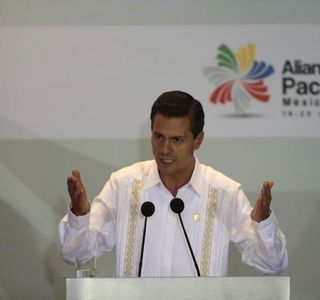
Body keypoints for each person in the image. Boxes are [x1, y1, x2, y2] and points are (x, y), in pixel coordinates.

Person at [59, 90, 288, 277]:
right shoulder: (123, 185)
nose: (164, 149)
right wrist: (80, 215)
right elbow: (76, 254)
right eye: (159, 137)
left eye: (176, 140)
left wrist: (263, 223)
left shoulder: (225, 192)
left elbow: (272, 265)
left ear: (198, 140)